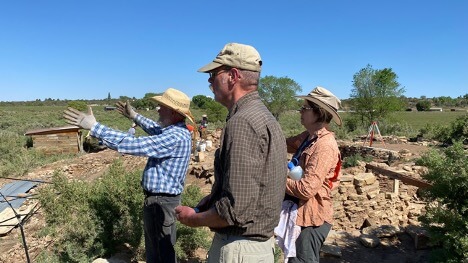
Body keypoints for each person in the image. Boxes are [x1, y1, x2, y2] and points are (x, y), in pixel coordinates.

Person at [175, 43, 287, 262]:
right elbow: (251, 191)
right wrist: (215, 198)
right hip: (253, 248)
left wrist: (193, 218)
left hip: (239, 249)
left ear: (233, 75)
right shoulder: (263, 116)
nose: (209, 80)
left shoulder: (242, 122)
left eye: (214, 73)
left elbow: (235, 211)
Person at [63, 88, 194, 263]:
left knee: (161, 254)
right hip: (161, 201)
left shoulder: (175, 136)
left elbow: (134, 144)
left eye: (161, 106)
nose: (158, 109)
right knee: (157, 250)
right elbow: (155, 129)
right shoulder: (175, 131)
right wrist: (134, 116)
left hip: (161, 203)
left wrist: (95, 127)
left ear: (173, 112)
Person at [283, 86, 342, 263]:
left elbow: (306, 189)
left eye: (305, 108)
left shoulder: (324, 146)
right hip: (303, 214)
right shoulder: (310, 137)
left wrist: (275, 178)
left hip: (312, 218)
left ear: (318, 113)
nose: (300, 111)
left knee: (302, 259)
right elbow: (282, 143)